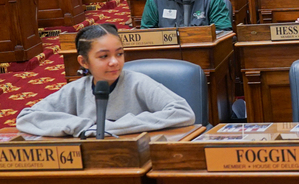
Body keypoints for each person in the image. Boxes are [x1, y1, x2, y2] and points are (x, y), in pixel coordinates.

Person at [16, 23, 195, 137]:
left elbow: (183, 112)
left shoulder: (138, 82)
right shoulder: (75, 89)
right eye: (103, 56)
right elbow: (26, 117)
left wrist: (112, 127)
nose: (114, 62)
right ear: (84, 61)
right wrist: (85, 126)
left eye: (119, 54)